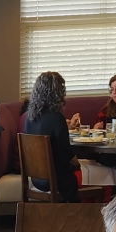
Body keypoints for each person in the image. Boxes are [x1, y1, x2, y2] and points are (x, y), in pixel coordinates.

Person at [24, 71, 81, 203]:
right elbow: (66, 154)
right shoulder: (57, 118)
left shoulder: (30, 117)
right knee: (95, 172)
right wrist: (78, 163)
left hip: (36, 178)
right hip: (58, 180)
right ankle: (87, 216)